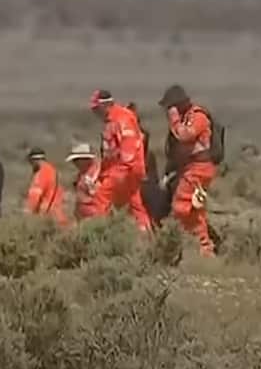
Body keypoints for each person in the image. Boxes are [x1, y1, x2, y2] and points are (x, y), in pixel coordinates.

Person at [159, 84, 218, 256]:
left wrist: (174, 119)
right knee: (194, 209)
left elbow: (185, 136)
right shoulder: (187, 117)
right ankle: (204, 248)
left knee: (182, 206)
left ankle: (201, 245)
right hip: (189, 168)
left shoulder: (198, 117)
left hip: (199, 168)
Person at [89, 88, 153, 232]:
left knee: (101, 198)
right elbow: (108, 153)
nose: (95, 113)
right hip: (123, 170)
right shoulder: (110, 122)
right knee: (134, 204)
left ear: (105, 106)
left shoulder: (122, 118)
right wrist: (99, 175)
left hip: (126, 170)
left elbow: (128, 148)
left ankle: (99, 234)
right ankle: (146, 236)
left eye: (96, 109)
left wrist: (119, 173)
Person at [24, 147, 68, 225]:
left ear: (34, 160)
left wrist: (27, 214)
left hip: (47, 218)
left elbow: (34, 196)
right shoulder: (52, 170)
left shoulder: (41, 173)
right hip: (58, 215)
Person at [66, 142, 109, 221]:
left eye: (76, 160)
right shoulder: (81, 174)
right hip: (83, 217)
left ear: (85, 159)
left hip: (94, 217)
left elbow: (100, 197)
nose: (74, 163)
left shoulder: (96, 173)